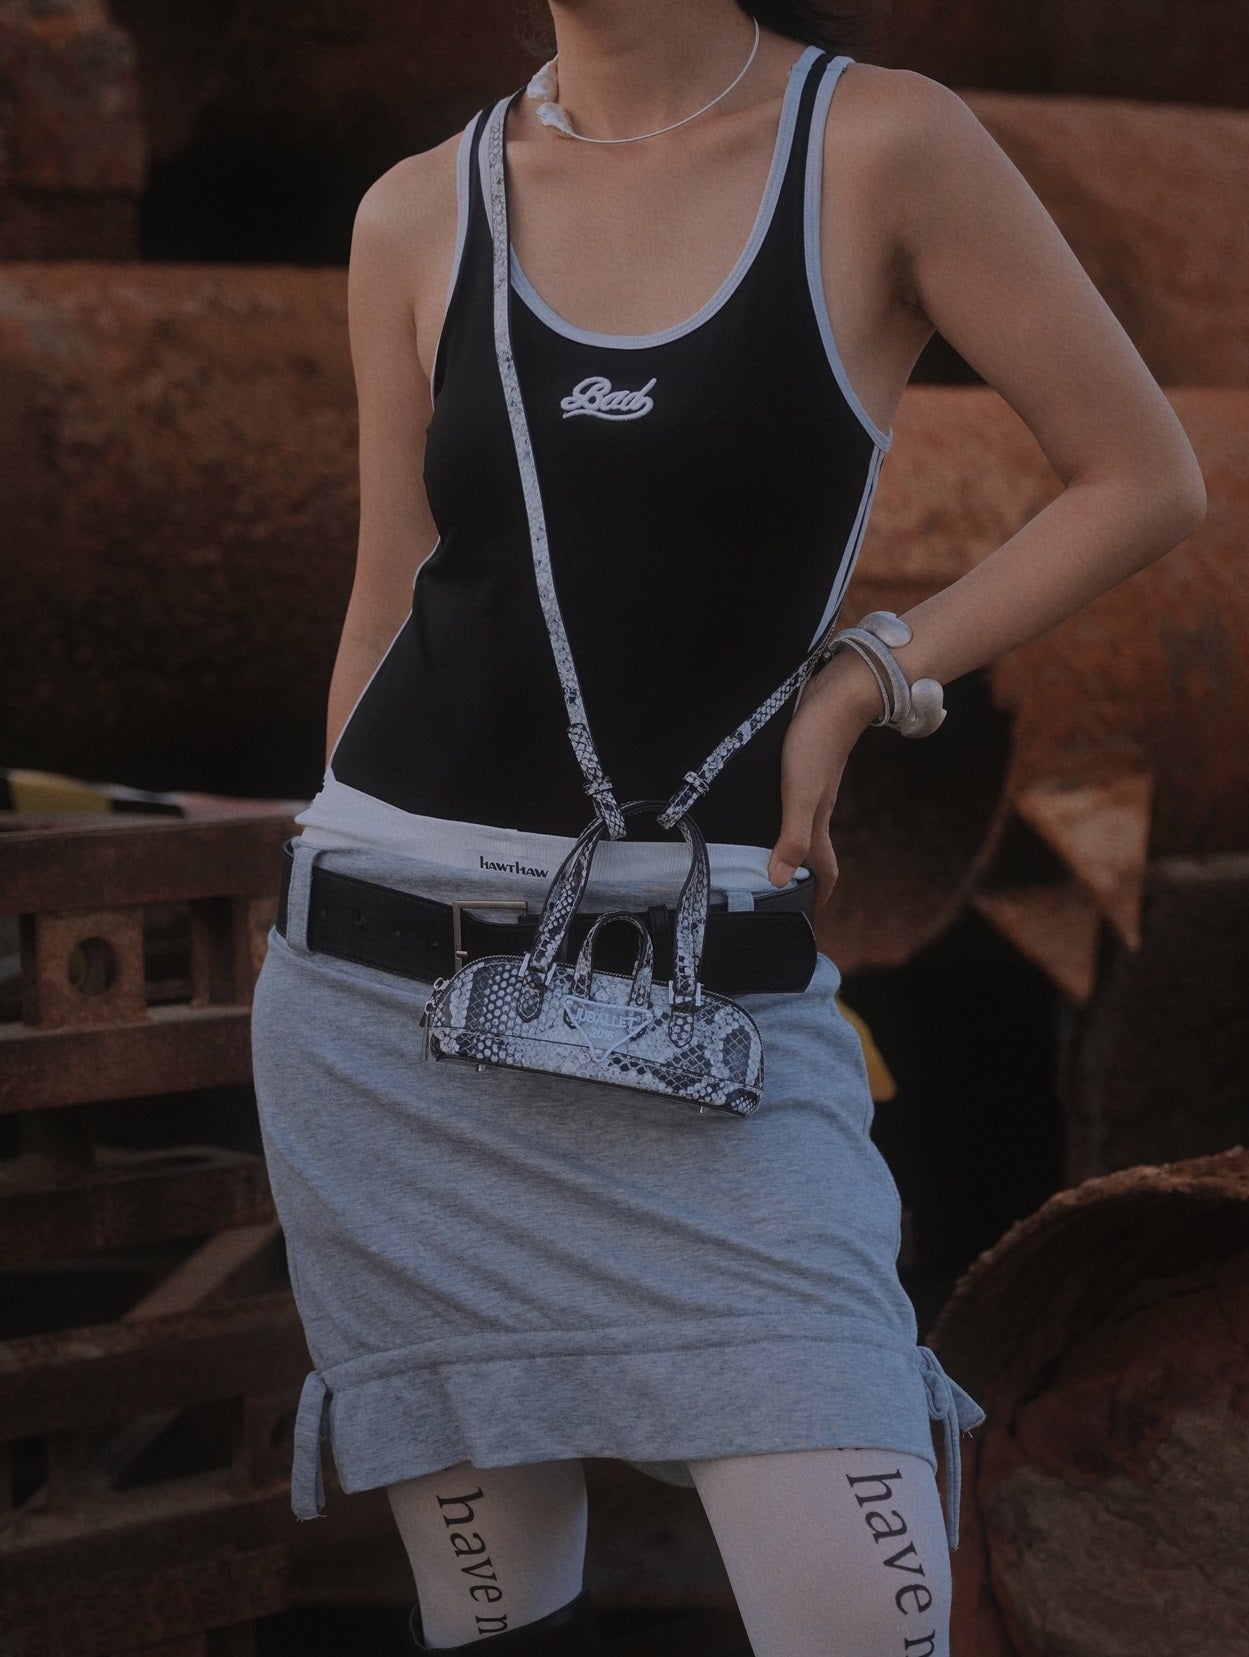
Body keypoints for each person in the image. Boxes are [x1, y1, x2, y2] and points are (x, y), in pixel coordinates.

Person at [248, 1, 1207, 1652]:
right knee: (501, 1622)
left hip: (708, 1001)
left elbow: (1141, 473)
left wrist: (866, 674)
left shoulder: (881, 145)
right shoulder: (417, 207)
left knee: (868, 1612)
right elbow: (387, 598)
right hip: (390, 1012)